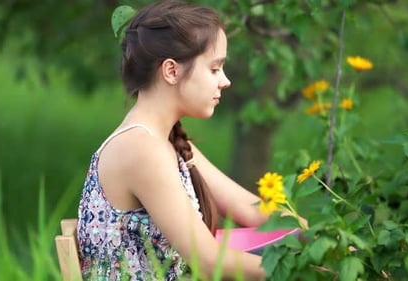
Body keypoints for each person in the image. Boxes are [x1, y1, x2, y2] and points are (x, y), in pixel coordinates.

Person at [76, 0, 270, 280]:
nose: (225, 81)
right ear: (171, 71)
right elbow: (208, 261)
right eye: (215, 69)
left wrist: (316, 235)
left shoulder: (165, 141)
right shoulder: (140, 149)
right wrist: (305, 267)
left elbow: (249, 211)